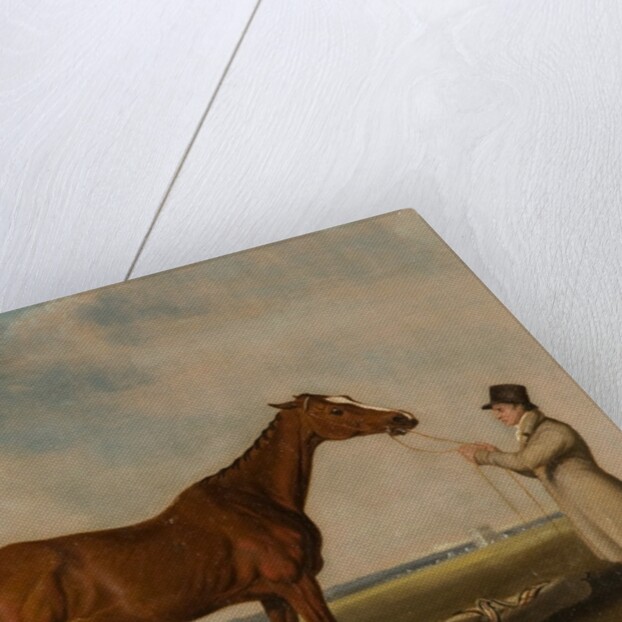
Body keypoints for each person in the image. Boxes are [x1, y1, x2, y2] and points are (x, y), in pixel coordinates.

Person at [458, 384, 622, 563]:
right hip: (580, 499)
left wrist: (482, 456)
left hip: (598, 495)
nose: (496, 416)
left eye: (500, 409)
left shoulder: (551, 431)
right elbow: (535, 470)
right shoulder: (534, 433)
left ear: (519, 406)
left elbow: (525, 461)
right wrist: (496, 453)